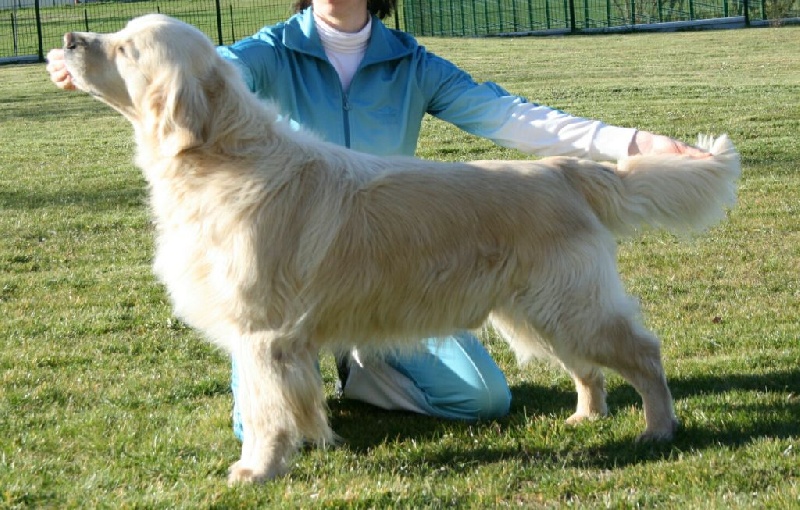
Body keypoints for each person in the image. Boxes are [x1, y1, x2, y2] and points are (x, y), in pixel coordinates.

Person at [46, 0, 709, 442]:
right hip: (287, 272)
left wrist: (630, 144)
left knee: (483, 401)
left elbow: (508, 115)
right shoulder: (271, 50)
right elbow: (198, 76)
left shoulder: (410, 61)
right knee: (259, 414)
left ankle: (362, 368)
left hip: (393, 268)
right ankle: (319, 371)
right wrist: (102, 67)